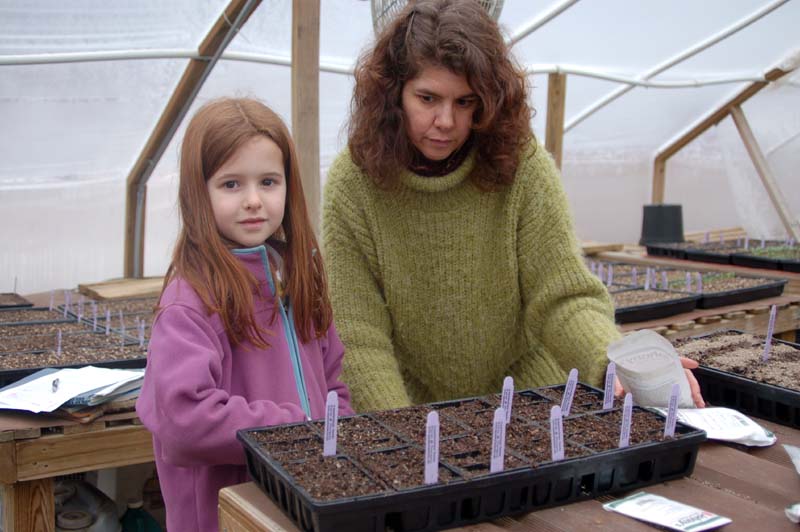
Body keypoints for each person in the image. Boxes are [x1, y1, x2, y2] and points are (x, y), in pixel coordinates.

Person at [322, 0, 703, 413]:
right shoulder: (354, 181)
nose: (446, 121)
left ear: (489, 101)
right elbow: (358, 332)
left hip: (530, 398)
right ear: (393, 94)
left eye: (465, 102)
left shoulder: (520, 165)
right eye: (428, 98)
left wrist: (618, 365)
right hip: (414, 407)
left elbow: (562, 296)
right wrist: (403, 435)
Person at [136, 97, 353, 532]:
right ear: (199, 193)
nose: (254, 200)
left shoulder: (299, 280)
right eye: (231, 184)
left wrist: (334, 429)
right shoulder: (190, 301)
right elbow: (185, 421)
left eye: (268, 182)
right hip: (227, 518)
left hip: (304, 507)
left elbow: (334, 384)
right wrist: (298, 428)